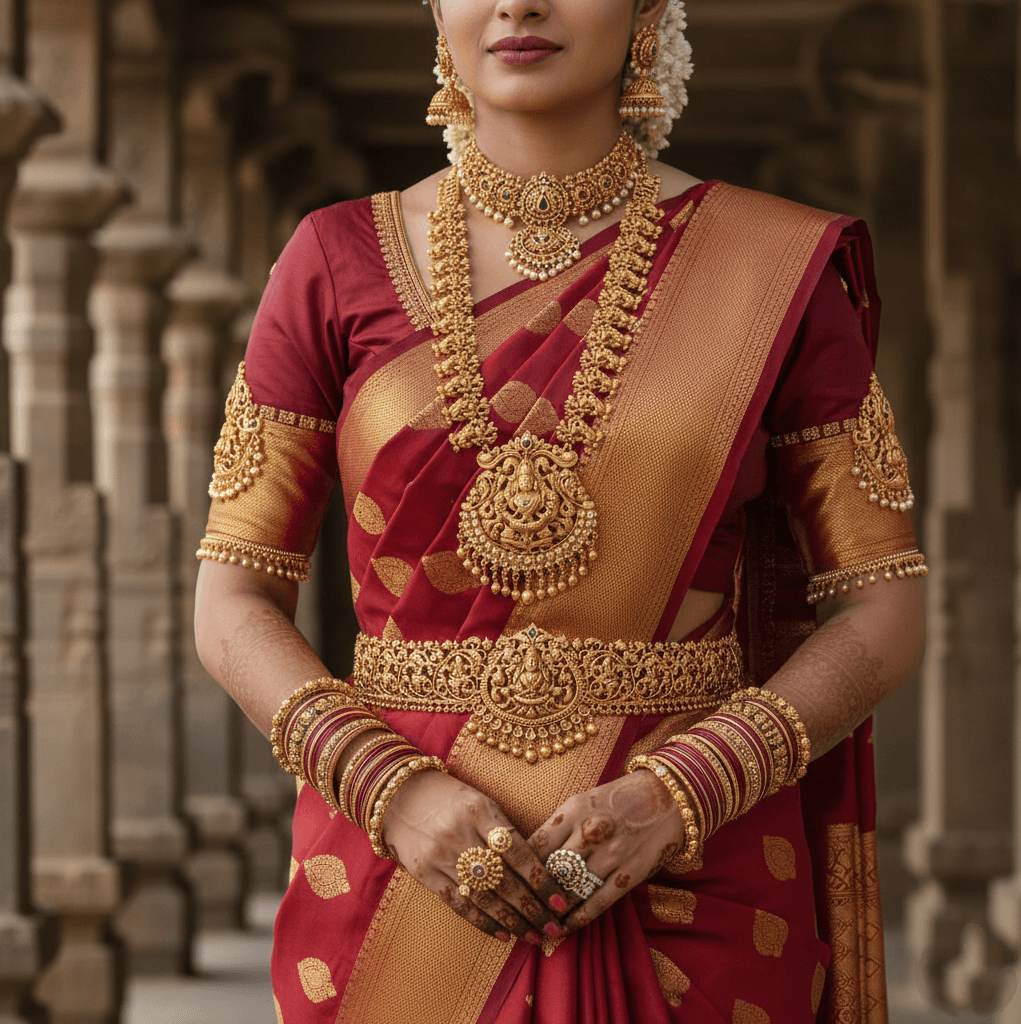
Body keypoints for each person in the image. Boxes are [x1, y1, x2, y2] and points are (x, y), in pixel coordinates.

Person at [193, 0, 927, 1020]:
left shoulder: (772, 271)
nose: (519, 2)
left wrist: (681, 793)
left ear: (645, 9)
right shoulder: (329, 260)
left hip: (694, 877)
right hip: (398, 871)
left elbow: (882, 608)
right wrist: (391, 790)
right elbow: (229, 600)